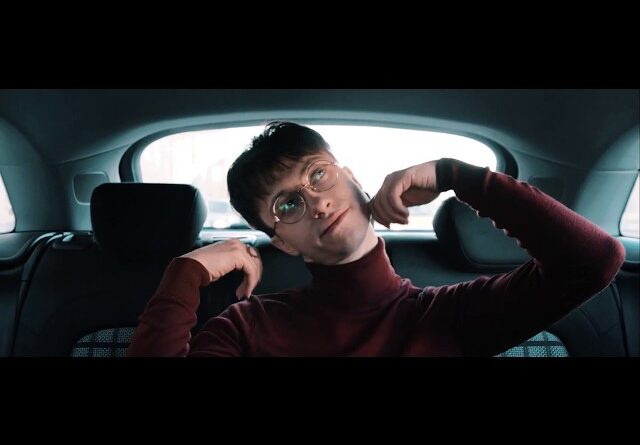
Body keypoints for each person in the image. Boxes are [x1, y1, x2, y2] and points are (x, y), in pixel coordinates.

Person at [127, 121, 625, 356]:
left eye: (318, 175)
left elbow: (594, 261)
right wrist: (185, 272)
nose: (317, 202)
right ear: (284, 243)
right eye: (287, 205)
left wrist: (457, 175)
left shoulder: (448, 315)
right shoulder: (246, 327)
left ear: (351, 179)